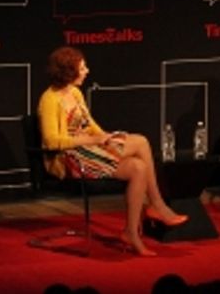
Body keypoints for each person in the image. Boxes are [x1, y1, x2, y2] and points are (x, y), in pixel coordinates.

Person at [37, 45, 188, 256]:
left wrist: (105, 137)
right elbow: (51, 142)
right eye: (82, 68)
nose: (87, 70)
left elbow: (89, 124)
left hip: (90, 146)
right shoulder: (49, 99)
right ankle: (157, 205)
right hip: (69, 158)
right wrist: (93, 139)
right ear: (69, 71)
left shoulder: (75, 92)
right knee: (141, 145)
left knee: (138, 165)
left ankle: (131, 231)